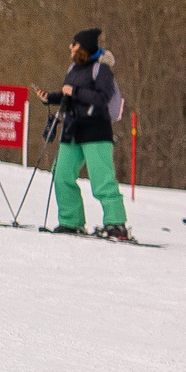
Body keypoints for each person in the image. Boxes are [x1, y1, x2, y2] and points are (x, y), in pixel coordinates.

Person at [43, 28, 130, 239]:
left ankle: (116, 223)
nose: (70, 48)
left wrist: (75, 92)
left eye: (73, 44)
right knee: (61, 175)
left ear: (83, 47)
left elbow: (102, 98)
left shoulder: (101, 70)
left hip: (95, 130)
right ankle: (71, 221)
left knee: (102, 179)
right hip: (72, 129)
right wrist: (50, 97)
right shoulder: (73, 69)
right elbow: (69, 96)